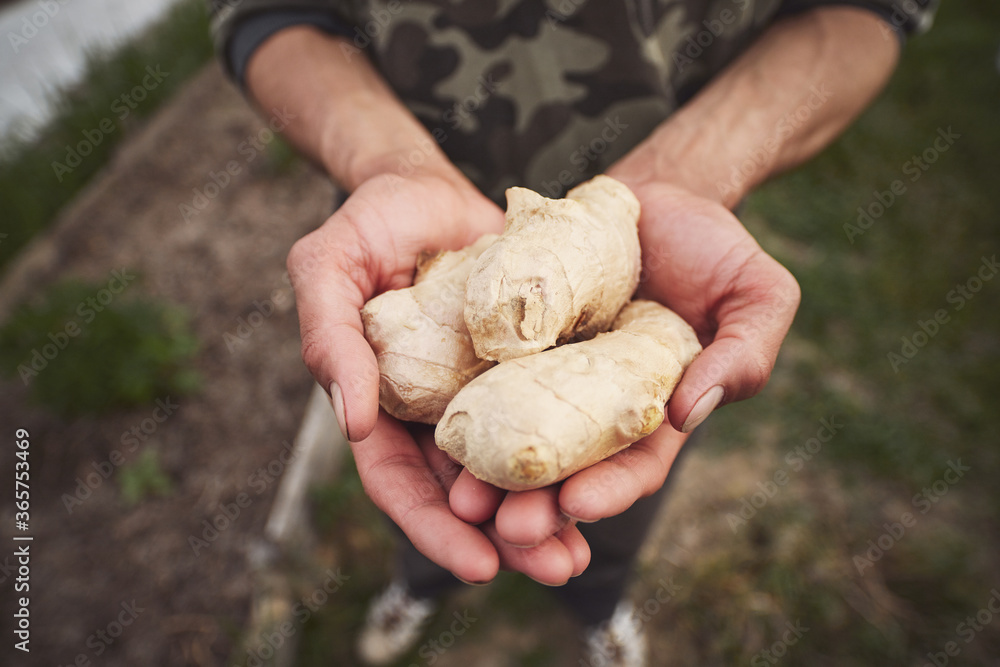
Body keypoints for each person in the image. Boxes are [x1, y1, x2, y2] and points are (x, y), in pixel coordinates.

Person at [210, 1, 937, 664]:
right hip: (413, 250)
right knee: (427, 495)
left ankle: (600, 607)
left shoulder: (651, 310)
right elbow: (266, 15)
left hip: (657, 252)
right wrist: (384, 163)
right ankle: (420, 587)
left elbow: (868, 14)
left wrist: (683, 174)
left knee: (608, 503)